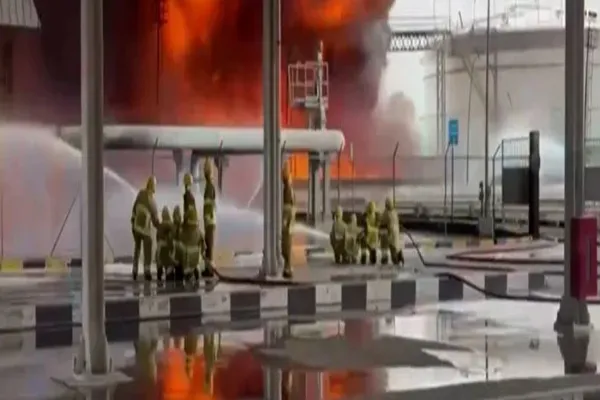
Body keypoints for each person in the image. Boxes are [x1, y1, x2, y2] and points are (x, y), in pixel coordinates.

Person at [131, 176, 160, 281]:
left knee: (137, 248)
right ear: (153, 186)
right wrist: (162, 227)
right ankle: (147, 271)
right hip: (144, 230)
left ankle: (134, 270)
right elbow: (155, 221)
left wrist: (133, 224)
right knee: (149, 244)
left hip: (135, 227)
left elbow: (134, 208)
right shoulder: (152, 201)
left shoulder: (140, 194)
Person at [180, 207, 204, 283]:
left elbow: (181, 240)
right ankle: (195, 270)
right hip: (196, 254)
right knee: (196, 264)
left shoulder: (183, 231)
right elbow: (203, 243)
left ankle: (188, 273)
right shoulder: (199, 231)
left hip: (187, 255)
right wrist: (202, 251)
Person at [202, 158, 217, 278]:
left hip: (210, 221)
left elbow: (209, 205)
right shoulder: (209, 186)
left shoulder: (209, 187)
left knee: (209, 246)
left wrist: (207, 218)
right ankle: (208, 268)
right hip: (210, 220)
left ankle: (210, 270)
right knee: (208, 245)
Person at [281, 162, 296, 278]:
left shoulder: (288, 188)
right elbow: (290, 204)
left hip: (289, 223)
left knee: (288, 245)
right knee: (287, 245)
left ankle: (288, 265)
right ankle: (287, 266)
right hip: (288, 224)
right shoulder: (287, 189)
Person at [380, 197, 403, 266]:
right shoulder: (393, 212)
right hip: (393, 232)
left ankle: (395, 260)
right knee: (395, 246)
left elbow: (383, 223)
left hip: (392, 232)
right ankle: (398, 259)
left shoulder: (388, 212)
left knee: (393, 246)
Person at [155, 206, 175, 281]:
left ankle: (159, 270)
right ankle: (169, 271)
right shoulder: (172, 225)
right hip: (170, 248)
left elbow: (157, 239)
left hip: (160, 248)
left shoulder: (160, 226)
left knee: (158, 257)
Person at [167, 205, 183, 282]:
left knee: (170, 270)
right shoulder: (182, 227)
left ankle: (170, 274)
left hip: (174, 257)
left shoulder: (172, 227)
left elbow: (169, 241)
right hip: (180, 257)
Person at [361, 201, 379, 265]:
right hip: (370, 233)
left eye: (372, 207)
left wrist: (369, 228)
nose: (371, 209)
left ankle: (364, 257)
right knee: (368, 244)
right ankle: (366, 256)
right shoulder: (367, 215)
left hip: (372, 233)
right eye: (371, 207)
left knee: (366, 243)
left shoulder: (376, 215)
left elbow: (377, 225)